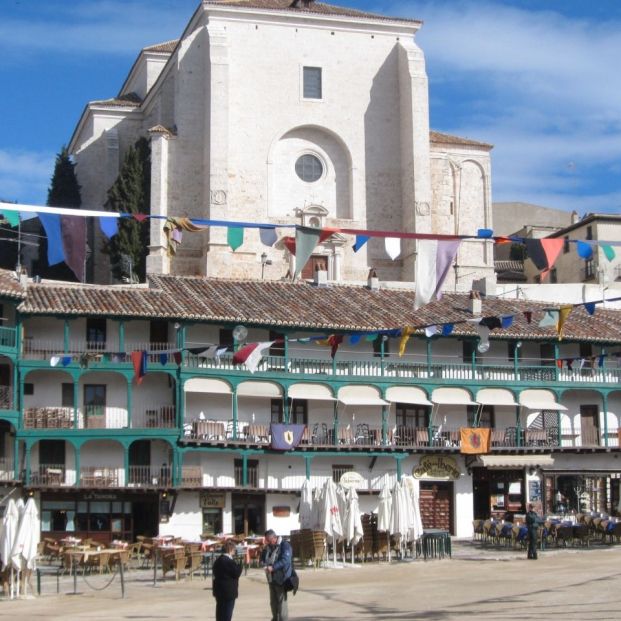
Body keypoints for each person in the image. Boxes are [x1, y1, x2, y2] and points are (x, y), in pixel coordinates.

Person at [260, 529, 293, 621]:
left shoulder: (285, 545)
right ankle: (275, 618)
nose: (268, 543)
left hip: (282, 578)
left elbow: (285, 560)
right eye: (267, 541)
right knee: (273, 602)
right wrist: (263, 563)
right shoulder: (268, 546)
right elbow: (263, 556)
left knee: (281, 602)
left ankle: (283, 619)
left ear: (274, 538)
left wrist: (273, 567)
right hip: (271, 578)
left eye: (269, 541)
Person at [212, 540, 243, 621]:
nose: (234, 552)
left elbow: (214, 572)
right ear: (230, 550)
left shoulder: (218, 560)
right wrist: (240, 565)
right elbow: (236, 573)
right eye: (234, 550)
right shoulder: (228, 561)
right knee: (227, 614)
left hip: (219, 590)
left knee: (220, 613)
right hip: (228, 591)